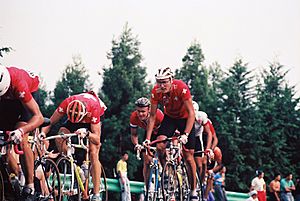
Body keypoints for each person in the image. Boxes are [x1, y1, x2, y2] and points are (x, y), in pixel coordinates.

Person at [144, 67, 198, 200]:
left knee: (188, 156)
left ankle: (193, 190)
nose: (161, 85)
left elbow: (192, 113)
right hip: (170, 118)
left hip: (185, 118)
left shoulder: (181, 88)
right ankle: (166, 174)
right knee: (160, 146)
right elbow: (152, 116)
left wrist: (185, 134)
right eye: (159, 82)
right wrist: (147, 138)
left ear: (171, 80)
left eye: (164, 82)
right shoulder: (156, 92)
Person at [41, 91, 106, 201]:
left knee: (93, 153)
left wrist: (87, 132)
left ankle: (96, 194)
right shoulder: (67, 103)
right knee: (60, 134)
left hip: (93, 118)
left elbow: (97, 138)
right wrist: (43, 134)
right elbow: (50, 122)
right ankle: (72, 162)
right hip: (75, 116)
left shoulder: (94, 108)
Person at [0, 65, 44, 201]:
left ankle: (30, 186)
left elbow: (39, 117)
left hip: (27, 95)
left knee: (22, 139)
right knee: (4, 141)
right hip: (6, 101)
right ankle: (13, 179)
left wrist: (21, 130)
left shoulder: (19, 84)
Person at [130, 97, 164, 188]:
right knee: (146, 159)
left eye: (143, 111)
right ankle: (147, 186)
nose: (140, 114)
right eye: (138, 111)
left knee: (162, 150)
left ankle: (167, 173)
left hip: (162, 132)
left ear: (149, 109)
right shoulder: (134, 117)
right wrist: (136, 144)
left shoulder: (158, 114)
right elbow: (134, 134)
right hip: (150, 134)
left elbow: (170, 129)